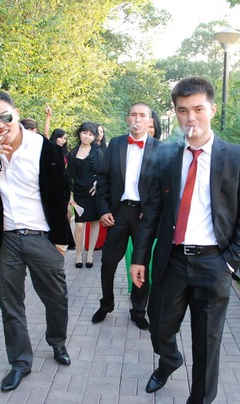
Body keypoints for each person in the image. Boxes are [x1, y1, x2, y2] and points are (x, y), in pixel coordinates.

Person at [130, 76, 240, 403]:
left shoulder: (235, 157)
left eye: (198, 109)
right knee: (159, 326)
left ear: (212, 110)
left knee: (206, 343)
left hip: (214, 264)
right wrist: (139, 258)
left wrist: (230, 261)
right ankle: (170, 360)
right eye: (182, 110)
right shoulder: (168, 156)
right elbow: (152, 212)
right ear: (175, 113)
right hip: (172, 260)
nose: (191, 118)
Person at [0, 91, 72, 393]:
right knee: (10, 305)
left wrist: (61, 241)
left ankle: (57, 342)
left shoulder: (43, 147)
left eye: (5, 116)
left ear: (16, 113)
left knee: (56, 298)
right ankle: (20, 362)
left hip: (41, 237)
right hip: (4, 239)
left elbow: (61, 193)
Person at [92, 102, 160, 330]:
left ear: (150, 121)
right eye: (133, 115)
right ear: (128, 119)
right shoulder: (116, 144)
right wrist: (103, 210)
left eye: (142, 115)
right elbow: (103, 179)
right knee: (108, 262)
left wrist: (151, 213)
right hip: (118, 213)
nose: (137, 119)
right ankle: (106, 304)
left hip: (143, 216)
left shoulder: (160, 148)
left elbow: (162, 188)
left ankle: (138, 311)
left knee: (142, 264)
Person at [67, 122, 104, 268]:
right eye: (84, 133)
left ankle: (90, 254)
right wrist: (70, 195)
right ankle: (78, 254)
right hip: (78, 192)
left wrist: (97, 183)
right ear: (79, 133)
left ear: (94, 137)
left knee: (94, 223)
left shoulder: (98, 152)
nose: (87, 136)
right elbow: (68, 175)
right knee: (79, 225)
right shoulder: (73, 152)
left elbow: (104, 173)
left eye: (90, 134)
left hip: (93, 193)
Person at [50, 128, 76, 250]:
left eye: (65, 138)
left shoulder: (66, 153)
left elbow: (68, 174)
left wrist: (70, 194)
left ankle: (66, 240)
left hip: (64, 187)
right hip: (53, 187)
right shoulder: (49, 150)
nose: (62, 140)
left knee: (67, 213)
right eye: (60, 137)